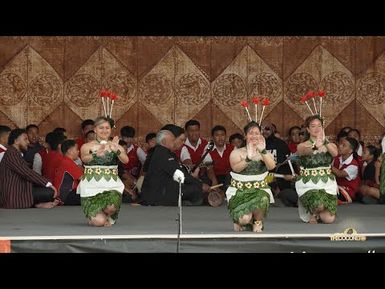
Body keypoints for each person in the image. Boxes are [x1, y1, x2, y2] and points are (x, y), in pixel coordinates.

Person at [77, 116, 129, 226]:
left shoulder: (115, 145)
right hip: (91, 185)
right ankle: (97, 217)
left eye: (107, 128)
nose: (104, 131)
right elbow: (84, 158)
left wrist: (117, 151)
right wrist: (96, 154)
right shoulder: (87, 146)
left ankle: (107, 214)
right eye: (101, 128)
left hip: (110, 184)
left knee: (111, 207)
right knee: (99, 222)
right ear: (95, 129)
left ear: (111, 130)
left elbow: (126, 160)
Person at [226, 121, 276, 232]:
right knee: (244, 219)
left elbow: (271, 166)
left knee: (262, 197)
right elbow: (236, 168)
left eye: (257, 133)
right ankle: (243, 220)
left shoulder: (264, 153)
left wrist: (262, 151)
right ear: (245, 135)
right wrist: (248, 158)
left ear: (261, 135)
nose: (254, 136)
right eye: (251, 133)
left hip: (259, 189)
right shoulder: (237, 152)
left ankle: (258, 221)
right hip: (240, 190)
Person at [141, 128, 207, 206]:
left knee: (192, 187)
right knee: (195, 189)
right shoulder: (163, 154)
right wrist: (200, 184)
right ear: (164, 142)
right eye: (172, 140)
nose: (174, 143)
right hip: (158, 195)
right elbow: (179, 173)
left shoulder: (161, 152)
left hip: (160, 190)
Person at [0, 128, 59, 209]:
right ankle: (37, 204)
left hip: (20, 190)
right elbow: (26, 173)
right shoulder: (11, 153)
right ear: (16, 141)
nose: (28, 142)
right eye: (25, 139)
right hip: (13, 194)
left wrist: (46, 183)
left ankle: (38, 204)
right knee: (50, 192)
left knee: (47, 190)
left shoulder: (15, 153)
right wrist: (47, 183)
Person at [295, 115, 338, 224]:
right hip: (309, 184)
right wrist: (316, 147)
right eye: (313, 126)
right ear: (308, 129)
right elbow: (304, 152)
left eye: (319, 126)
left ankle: (318, 214)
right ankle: (313, 212)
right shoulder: (302, 145)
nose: (317, 128)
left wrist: (325, 142)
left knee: (329, 219)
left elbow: (335, 153)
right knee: (319, 204)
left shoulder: (330, 144)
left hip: (326, 182)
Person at [54, 139, 83, 205]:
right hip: (65, 197)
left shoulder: (65, 161)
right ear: (70, 151)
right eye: (76, 149)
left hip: (63, 195)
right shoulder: (68, 163)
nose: (78, 151)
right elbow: (83, 179)